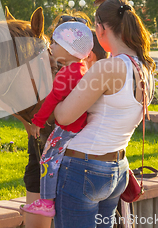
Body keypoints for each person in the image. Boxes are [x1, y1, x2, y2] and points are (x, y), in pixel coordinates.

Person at [52, 0, 155, 228]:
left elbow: (63, 116)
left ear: (100, 29)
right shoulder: (145, 67)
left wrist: (52, 96)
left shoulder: (107, 68)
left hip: (83, 169)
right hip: (117, 169)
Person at [20, 22, 94, 217]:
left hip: (66, 128)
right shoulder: (82, 70)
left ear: (68, 50)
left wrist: (37, 122)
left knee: (47, 159)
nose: (51, 47)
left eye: (55, 43)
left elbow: (51, 100)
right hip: (80, 128)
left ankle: (46, 201)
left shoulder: (65, 74)